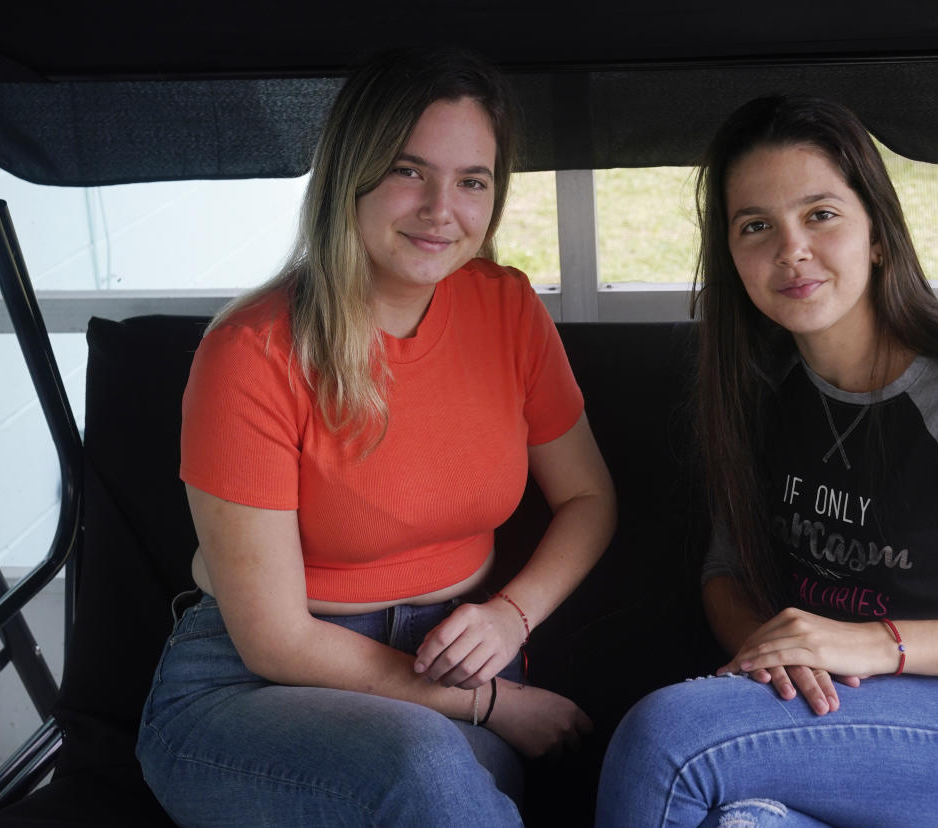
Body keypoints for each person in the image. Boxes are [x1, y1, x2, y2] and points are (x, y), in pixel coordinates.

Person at [595, 95, 938, 828]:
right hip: (824, 710)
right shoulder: (757, 391)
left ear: (877, 234)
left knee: (668, 739)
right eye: (756, 227)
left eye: (821, 215)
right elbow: (725, 573)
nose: (791, 251)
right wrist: (778, 652)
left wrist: (870, 645)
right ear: (733, 260)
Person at [135, 49, 616, 827]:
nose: (441, 209)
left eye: (472, 181)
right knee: (422, 774)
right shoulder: (251, 353)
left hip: (447, 663)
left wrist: (510, 618)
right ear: (349, 175)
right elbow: (276, 641)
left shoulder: (507, 309)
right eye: (408, 170)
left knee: (448, 786)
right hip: (251, 691)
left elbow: (590, 498)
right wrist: (491, 702)